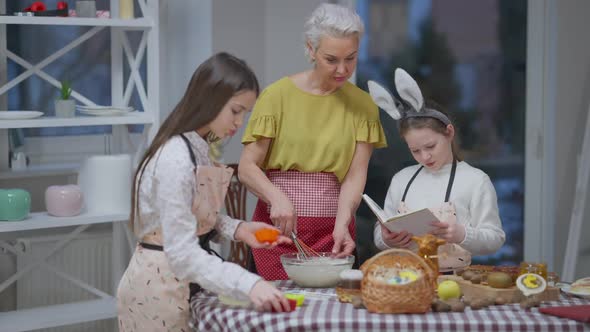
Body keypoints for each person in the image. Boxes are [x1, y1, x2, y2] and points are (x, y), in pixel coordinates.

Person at [117, 52, 293, 331]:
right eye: (236, 111)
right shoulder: (175, 157)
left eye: (244, 114)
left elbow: (191, 215)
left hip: (183, 285)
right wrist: (250, 283)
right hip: (157, 291)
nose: (239, 123)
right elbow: (183, 253)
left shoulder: (198, 148)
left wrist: (240, 229)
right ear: (210, 99)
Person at [239, 3, 387, 280]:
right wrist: (276, 197)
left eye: (351, 58)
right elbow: (247, 168)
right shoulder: (276, 97)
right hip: (276, 233)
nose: (342, 69)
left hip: (334, 233)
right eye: (331, 59)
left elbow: (355, 176)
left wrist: (343, 223)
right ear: (311, 49)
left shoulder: (363, 106)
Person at [368, 68, 505, 268]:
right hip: (406, 280)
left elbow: (495, 238)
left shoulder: (475, 180)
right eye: (415, 150)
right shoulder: (402, 179)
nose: (425, 156)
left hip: (453, 283)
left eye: (430, 146)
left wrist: (462, 234)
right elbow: (381, 231)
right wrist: (386, 239)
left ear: (449, 133)